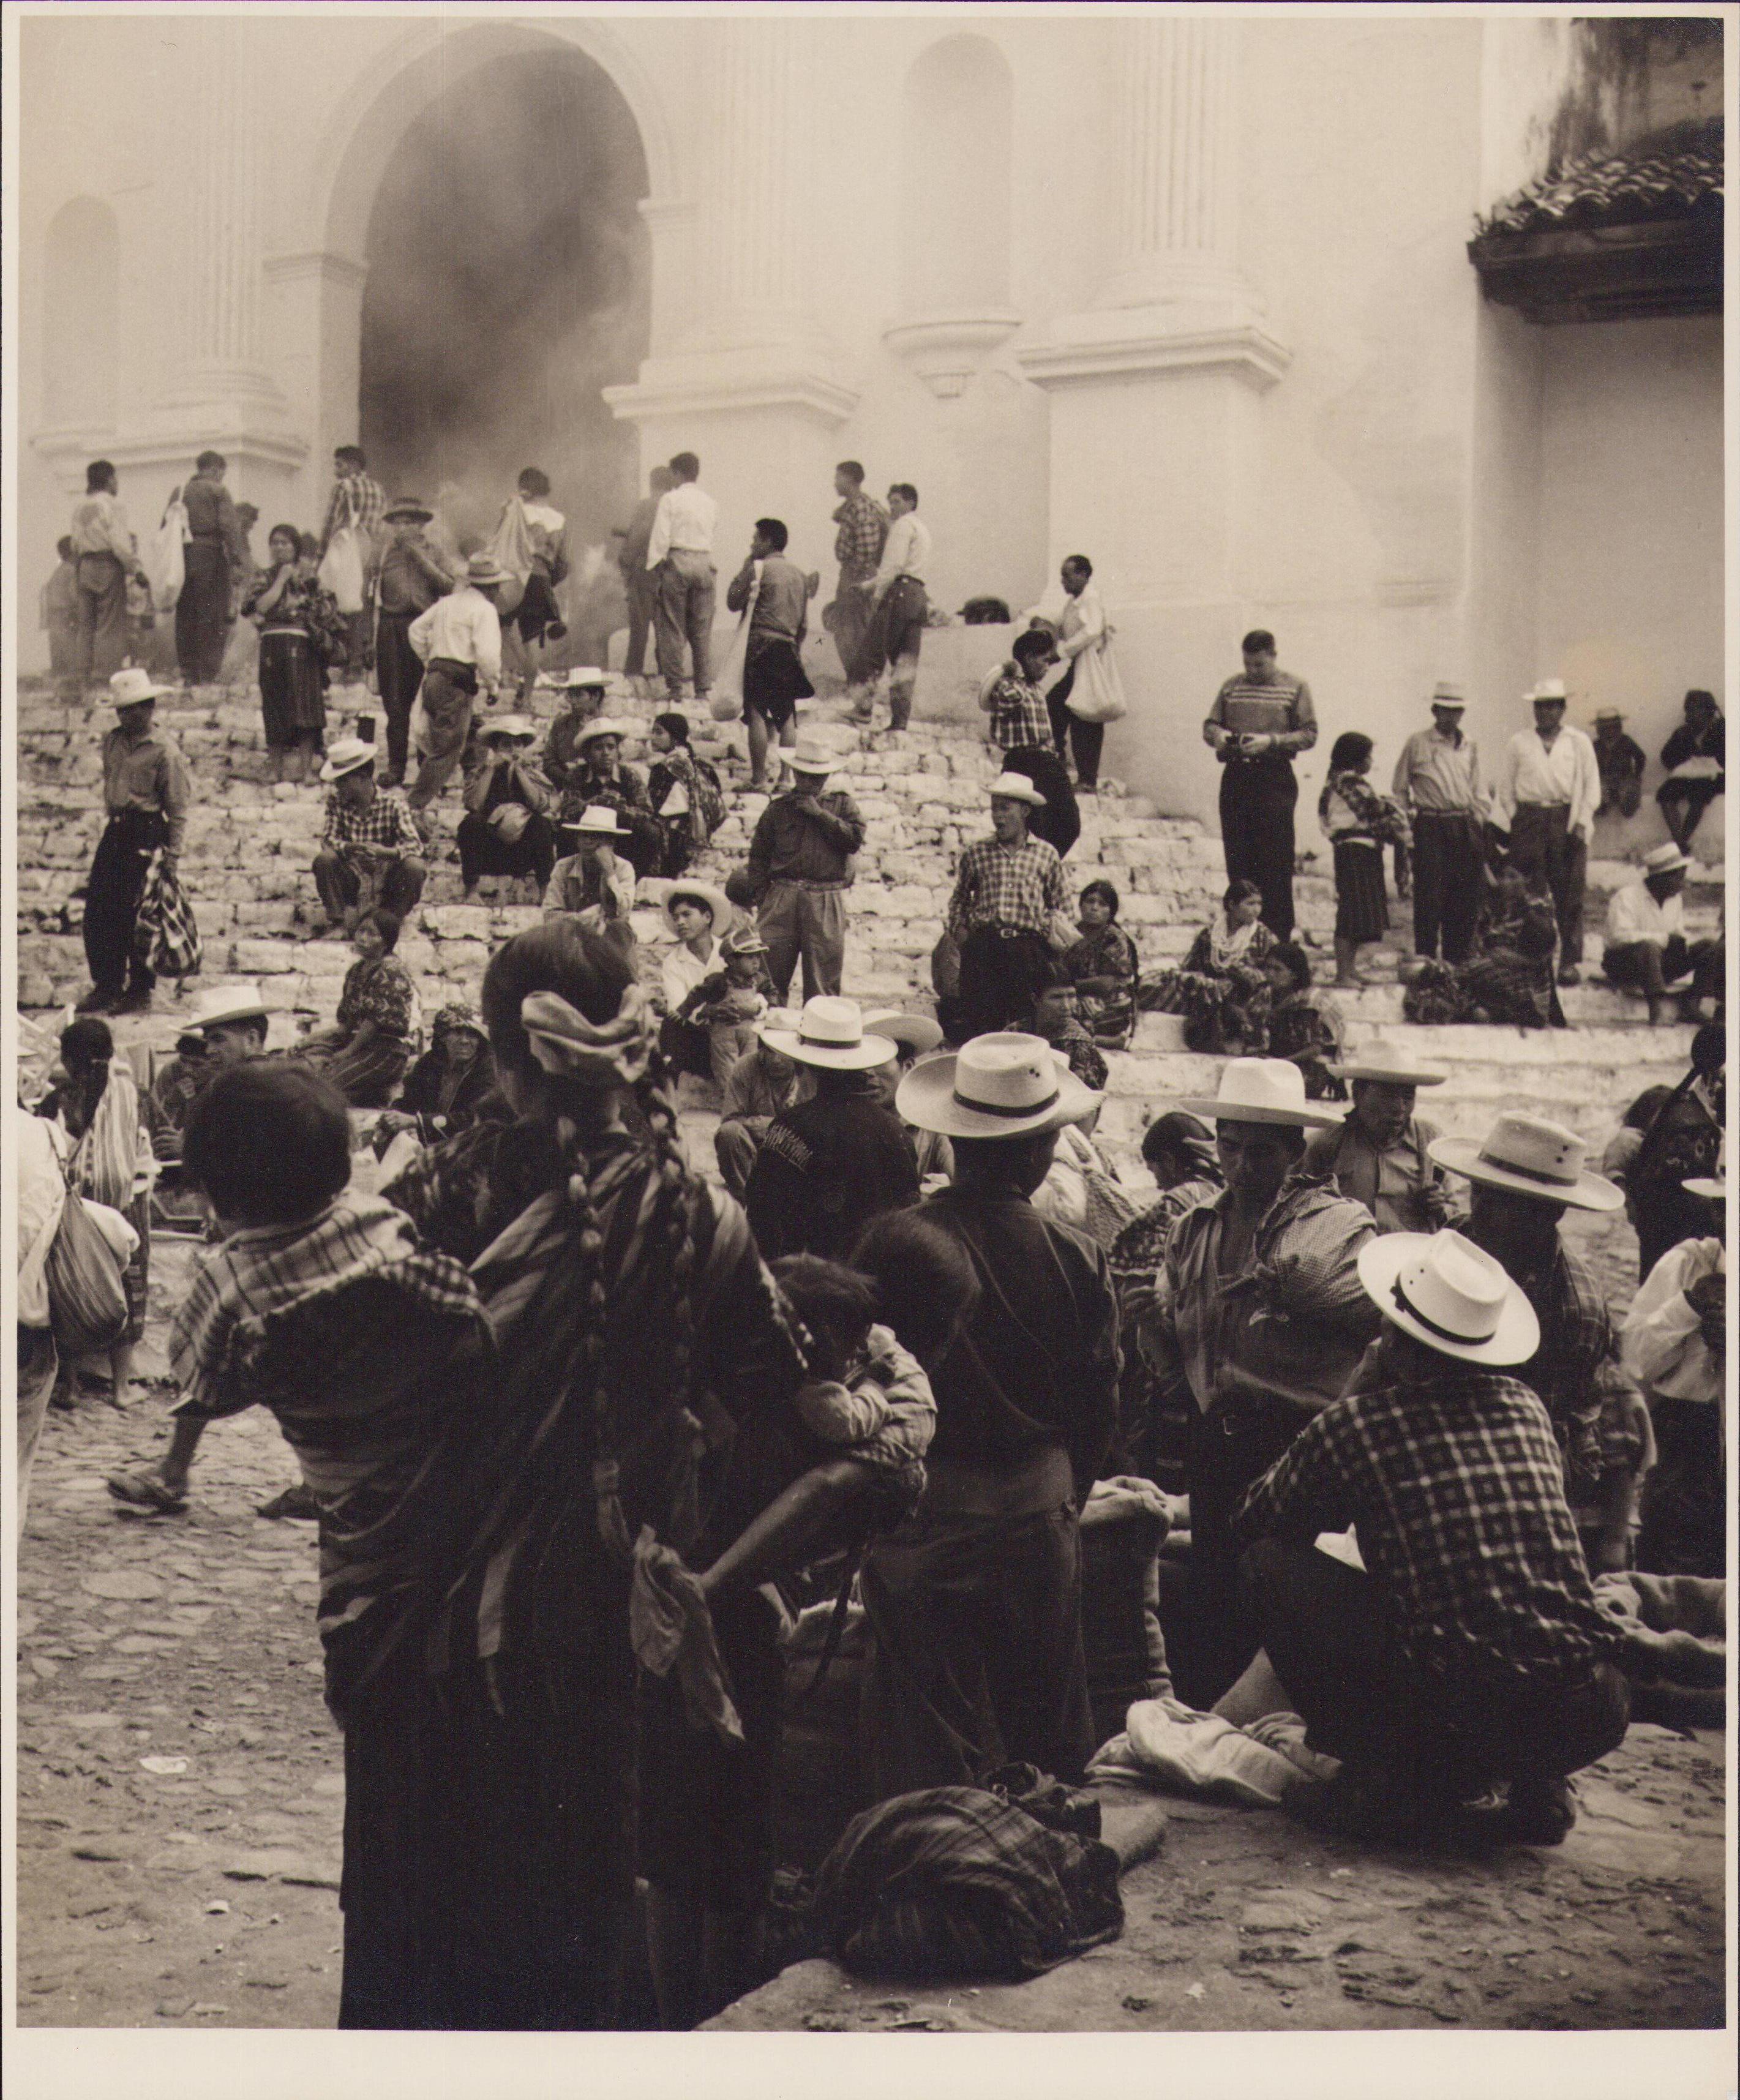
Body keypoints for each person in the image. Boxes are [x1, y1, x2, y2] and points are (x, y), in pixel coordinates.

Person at [428, 921, 807, 2030]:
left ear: (507, 1058)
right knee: (603, 1863)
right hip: (632, 1598)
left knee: (479, 1885)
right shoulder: (699, 1215)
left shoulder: (448, 1194)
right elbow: (780, 1392)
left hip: (465, 1608)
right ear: (635, 1056)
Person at [1232, 1228, 1628, 1849]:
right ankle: (1537, 1782)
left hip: (1463, 1710)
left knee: (1267, 1563)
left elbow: (1257, 1517)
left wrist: (1352, 1393)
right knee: (1497, 1612)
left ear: (1393, 1341)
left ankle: (1378, 1782)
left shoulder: (1362, 1422)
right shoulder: (1526, 1405)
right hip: (1593, 1705)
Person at [861, 1033, 1117, 1794]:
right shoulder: (1075, 1253)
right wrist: (1071, 1486)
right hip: (1035, 1505)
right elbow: (1099, 1400)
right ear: (1039, 1153)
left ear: (952, 1138)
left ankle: (934, 1873)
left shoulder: (896, 1239)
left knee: (922, 1728)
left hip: (924, 1506)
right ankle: (1051, 1875)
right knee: (1044, 1727)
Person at [1140, 1059, 1375, 1702]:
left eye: (1262, 1153)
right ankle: (1213, 1719)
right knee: (1218, 1588)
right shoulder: (1196, 1228)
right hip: (1219, 1437)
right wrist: (1158, 1329)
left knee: (1283, 1592)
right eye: (1231, 1147)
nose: (1243, 1166)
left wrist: (1291, 1286)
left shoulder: (1333, 1225)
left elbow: (1363, 1303)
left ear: (1295, 1152)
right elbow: (1184, 1331)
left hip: (1299, 1442)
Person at [1433, 1113, 1648, 1577]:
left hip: (1509, 1484)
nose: (1483, 1210)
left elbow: (1541, 1438)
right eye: (1480, 1192)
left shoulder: (1573, 1309)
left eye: (1506, 1202)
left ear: (1551, 1213)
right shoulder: (1456, 1239)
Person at [35, 1016, 155, 1410]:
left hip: (74, 1211)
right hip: (125, 1208)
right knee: (127, 1294)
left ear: (69, 1062)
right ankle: (121, 1387)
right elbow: (147, 1152)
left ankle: (67, 1386)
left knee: (67, 1290)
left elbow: (46, 1154)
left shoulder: (60, 1099)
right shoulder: (133, 1095)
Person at [744, 999, 916, 1263]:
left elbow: (763, 1219)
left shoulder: (790, 1128)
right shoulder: (897, 1132)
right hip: (875, 1287)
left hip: (808, 1286)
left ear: (804, 1068)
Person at [1624, 1148, 1725, 1579]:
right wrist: (1688, 1307)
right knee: (1673, 1577)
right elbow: (1633, 1359)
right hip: (1685, 1442)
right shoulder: (1688, 1264)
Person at [1108, 1111, 1222, 1485]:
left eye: (1155, 1169)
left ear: (1171, 1162)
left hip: (1169, 1339)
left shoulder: (1175, 1204)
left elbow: (1137, 1282)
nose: (1156, 1181)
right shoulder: (1224, 1193)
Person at [80, 668, 191, 1017]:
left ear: (152, 706)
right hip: (117, 831)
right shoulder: (112, 742)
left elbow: (177, 808)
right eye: (125, 709)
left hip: (147, 831)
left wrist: (172, 855)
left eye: (140, 707)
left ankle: (140, 990)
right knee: (99, 909)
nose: (133, 715)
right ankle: (107, 985)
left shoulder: (165, 751)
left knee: (141, 914)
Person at [1203, 629, 1317, 938]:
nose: (1252, 671)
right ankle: (1238, 933)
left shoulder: (1295, 687)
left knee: (1275, 858)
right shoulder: (1231, 686)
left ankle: (1277, 935)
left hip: (1274, 777)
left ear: (1274, 656)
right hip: (1237, 777)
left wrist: (1271, 741)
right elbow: (1210, 725)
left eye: (1259, 665)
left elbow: (1309, 734)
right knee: (1238, 855)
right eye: (1248, 664)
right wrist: (1220, 737)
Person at [945, 773, 1068, 1041]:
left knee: (1022, 1025)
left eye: (1005, 808)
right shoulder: (977, 853)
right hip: (983, 950)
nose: (998, 816)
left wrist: (1047, 934)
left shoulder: (1046, 854)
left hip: (1026, 951)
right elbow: (960, 899)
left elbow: (1061, 905)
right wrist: (961, 932)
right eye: (994, 808)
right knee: (979, 1025)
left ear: (1025, 812)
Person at [1492, 678, 1598, 986]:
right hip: (1529, 819)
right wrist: (1517, 820)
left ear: (1563, 709)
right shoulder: (1519, 743)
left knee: (1569, 893)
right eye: (1540, 706)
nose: (1546, 712)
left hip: (1566, 818)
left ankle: (1568, 961)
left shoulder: (1578, 742)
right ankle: (1533, 960)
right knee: (1531, 892)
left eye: (1552, 705)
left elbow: (1591, 785)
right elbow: (1506, 788)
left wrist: (1581, 819)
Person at [746, 734, 865, 1003]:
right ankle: (767, 1041)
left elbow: (854, 841)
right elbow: (758, 857)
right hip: (782, 897)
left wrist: (820, 815)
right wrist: (764, 898)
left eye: (817, 777)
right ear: (795, 773)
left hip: (825, 898)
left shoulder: (843, 805)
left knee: (823, 983)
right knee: (768, 979)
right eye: (804, 776)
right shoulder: (778, 810)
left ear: (827, 777)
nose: (810, 783)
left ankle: (818, 1040)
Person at [1297, 1039, 1454, 1234]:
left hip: (1411, 1259)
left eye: (1408, 1096)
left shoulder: (1430, 1141)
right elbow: (1295, 1208)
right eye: (1388, 1096)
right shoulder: (1327, 1142)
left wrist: (1440, 1210)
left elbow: (1455, 1216)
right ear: (1358, 1094)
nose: (1399, 1108)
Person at [1402, 857, 1563, 1029]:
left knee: (1450, 980)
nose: (1504, 882)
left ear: (1527, 879)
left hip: (1523, 982)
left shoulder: (1536, 910)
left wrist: (1508, 958)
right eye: (1502, 877)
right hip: (1494, 974)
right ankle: (1478, 1007)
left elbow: (1541, 954)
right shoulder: (1494, 906)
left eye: (1512, 877)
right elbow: (1479, 945)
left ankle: (1471, 1004)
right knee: (1448, 979)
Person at [405, 552, 508, 820]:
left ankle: (477, 801)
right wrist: (493, 686)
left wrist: (430, 659)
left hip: (436, 678)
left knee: (475, 737)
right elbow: (487, 655)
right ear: (492, 586)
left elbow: (415, 630)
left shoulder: (447, 603)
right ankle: (413, 806)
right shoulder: (485, 610)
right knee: (448, 748)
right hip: (457, 681)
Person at [1391, 681, 1486, 963]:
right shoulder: (1418, 742)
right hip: (1431, 825)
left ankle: (1457, 963)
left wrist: (1478, 818)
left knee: (1465, 896)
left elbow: (1478, 788)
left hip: (1464, 824)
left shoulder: (1470, 744)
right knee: (1430, 896)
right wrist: (1406, 826)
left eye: (1457, 711)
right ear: (1435, 710)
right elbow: (1399, 788)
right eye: (1445, 710)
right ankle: (1427, 962)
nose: (1451, 717)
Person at [244, 525, 346, 782]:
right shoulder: (264, 576)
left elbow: (326, 611)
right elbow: (262, 606)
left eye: (285, 543)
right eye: (275, 543)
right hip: (273, 645)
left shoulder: (310, 579)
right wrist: (281, 579)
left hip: (303, 646)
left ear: (296, 548)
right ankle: (275, 769)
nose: (279, 548)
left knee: (306, 705)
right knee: (275, 704)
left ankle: (306, 770)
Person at [1625, 1023, 1725, 1281]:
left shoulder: (1693, 1113)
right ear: (1713, 1078)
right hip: (1680, 1255)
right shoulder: (1690, 1128)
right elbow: (1684, 1208)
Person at [727, 517, 819, 790]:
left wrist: (746, 566)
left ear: (767, 542)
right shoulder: (799, 575)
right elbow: (804, 625)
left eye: (756, 539)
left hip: (760, 645)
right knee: (786, 716)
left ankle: (758, 780)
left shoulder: (758, 568)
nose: (752, 543)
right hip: (788, 647)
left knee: (756, 712)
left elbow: (733, 601)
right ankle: (784, 779)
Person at [1318, 730, 1411, 986]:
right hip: (1354, 850)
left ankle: (1350, 970)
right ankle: (1342, 973)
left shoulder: (1346, 781)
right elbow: (1374, 810)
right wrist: (1396, 811)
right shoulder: (1347, 782)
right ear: (1356, 758)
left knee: (1360, 911)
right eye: (1368, 756)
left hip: (1365, 850)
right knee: (1351, 910)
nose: (1371, 761)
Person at [979, 627, 1081, 858]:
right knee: (1036, 824)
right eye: (1044, 661)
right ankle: (1030, 865)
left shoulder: (1037, 690)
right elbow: (1007, 698)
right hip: (1023, 762)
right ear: (1028, 658)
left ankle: (1044, 863)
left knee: (1070, 824)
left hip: (1048, 762)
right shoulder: (1008, 685)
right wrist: (1013, 672)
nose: (1047, 668)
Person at [372, 498, 452, 786]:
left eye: (409, 522)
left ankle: (426, 769)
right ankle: (396, 768)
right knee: (395, 703)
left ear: (421, 525)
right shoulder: (383, 554)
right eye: (398, 522)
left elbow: (449, 586)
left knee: (427, 701)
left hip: (425, 628)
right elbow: (370, 594)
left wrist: (419, 558)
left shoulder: (435, 552)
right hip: (391, 629)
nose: (402, 528)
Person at [312, 737, 429, 934]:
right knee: (325, 859)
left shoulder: (393, 803)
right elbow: (328, 840)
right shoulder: (336, 802)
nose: (338, 786)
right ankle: (339, 922)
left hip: (386, 877)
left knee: (415, 867)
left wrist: (387, 853)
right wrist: (348, 848)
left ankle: (392, 919)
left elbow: (415, 845)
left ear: (363, 777)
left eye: (343, 780)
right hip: (353, 877)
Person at [301, 909, 416, 1108]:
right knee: (301, 1064)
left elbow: (374, 1022)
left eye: (372, 934)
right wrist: (314, 1040)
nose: (363, 938)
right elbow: (347, 1023)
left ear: (387, 941)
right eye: (361, 931)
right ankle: (365, 1094)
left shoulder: (391, 972)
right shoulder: (356, 971)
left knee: (324, 1086)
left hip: (386, 1051)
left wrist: (347, 1053)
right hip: (358, 1043)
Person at [1151, 879, 1275, 1057]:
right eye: (1250, 904)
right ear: (1232, 905)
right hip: (1213, 991)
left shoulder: (1262, 935)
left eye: (1259, 904)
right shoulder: (1210, 934)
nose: (1256, 909)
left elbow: (1274, 970)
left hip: (1246, 994)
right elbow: (1192, 965)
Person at [846, 482, 931, 736]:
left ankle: (862, 709)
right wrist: (868, 585)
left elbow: (893, 568)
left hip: (898, 594)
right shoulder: (923, 529)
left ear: (910, 503)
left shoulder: (903, 526)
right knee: (906, 661)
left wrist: (877, 594)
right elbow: (906, 568)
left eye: (897, 502)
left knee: (872, 651)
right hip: (917, 596)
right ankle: (900, 722)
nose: (892, 507)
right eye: (890, 502)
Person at [661, 891, 770, 1088]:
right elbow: (679, 1009)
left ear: (707, 917)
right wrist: (710, 1012)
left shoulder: (734, 951)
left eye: (687, 915)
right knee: (670, 1025)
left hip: (743, 1029)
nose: (680, 922)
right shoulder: (673, 962)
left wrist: (753, 1009)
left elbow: (764, 987)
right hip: (702, 1037)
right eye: (676, 917)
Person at [1603, 841, 1715, 1024]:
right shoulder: (1627, 897)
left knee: (1710, 947)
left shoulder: (1674, 899)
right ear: (1661, 878)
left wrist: (1681, 942)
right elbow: (1618, 937)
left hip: (1659, 965)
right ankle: (1657, 1007)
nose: (1683, 883)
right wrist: (1663, 939)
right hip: (1626, 965)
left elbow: (1676, 933)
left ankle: (1693, 1001)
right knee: (1649, 947)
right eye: (1679, 878)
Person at [646, 450, 718, 707]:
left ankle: (675, 688)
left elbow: (661, 537)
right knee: (701, 630)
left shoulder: (670, 499)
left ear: (677, 473)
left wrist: (656, 568)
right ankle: (702, 689)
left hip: (678, 560)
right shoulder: (710, 502)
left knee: (672, 627)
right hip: (704, 563)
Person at [456, 716, 555, 901]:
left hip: (521, 850)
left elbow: (539, 804)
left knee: (542, 824)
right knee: (471, 822)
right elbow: (474, 804)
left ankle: (545, 893)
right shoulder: (481, 772)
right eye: (506, 744)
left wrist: (518, 771)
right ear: (495, 748)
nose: (512, 750)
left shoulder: (532, 772)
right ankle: (472, 891)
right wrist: (491, 770)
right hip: (491, 847)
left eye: (517, 744)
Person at [70, 459, 149, 686]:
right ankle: (106, 677)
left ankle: (82, 677)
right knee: (109, 624)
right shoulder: (113, 505)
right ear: (109, 480)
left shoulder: (80, 508)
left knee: (86, 625)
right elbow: (121, 545)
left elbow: (75, 544)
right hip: (107, 564)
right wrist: (137, 569)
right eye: (115, 479)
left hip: (84, 566)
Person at [713, 1017, 810, 1202]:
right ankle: (744, 1198)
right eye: (769, 1051)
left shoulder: (808, 1074)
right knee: (729, 1133)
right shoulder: (745, 1067)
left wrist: (768, 1126)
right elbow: (730, 1120)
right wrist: (772, 1126)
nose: (776, 1060)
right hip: (753, 1152)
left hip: (792, 1157)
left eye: (782, 1053)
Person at [555, 716, 660, 878]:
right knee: (564, 830)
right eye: (599, 748)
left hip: (620, 838)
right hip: (587, 838)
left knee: (650, 832)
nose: (606, 753)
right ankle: (570, 884)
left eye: (611, 747)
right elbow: (568, 810)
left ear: (618, 750)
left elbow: (646, 811)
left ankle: (634, 883)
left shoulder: (629, 775)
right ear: (588, 753)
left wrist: (618, 809)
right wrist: (595, 805)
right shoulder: (576, 776)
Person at [500, 467, 569, 707]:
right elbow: (564, 563)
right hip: (540, 580)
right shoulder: (559, 519)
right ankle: (528, 697)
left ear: (525, 489)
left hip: (513, 577)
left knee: (501, 627)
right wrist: (550, 583)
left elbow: (501, 544)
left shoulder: (516, 511)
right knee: (534, 640)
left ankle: (520, 668)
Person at [174, 450, 245, 684]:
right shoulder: (218, 491)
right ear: (216, 469)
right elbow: (230, 528)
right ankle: (207, 671)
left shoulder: (181, 491)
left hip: (183, 555)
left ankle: (187, 670)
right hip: (211, 555)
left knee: (186, 612)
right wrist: (236, 560)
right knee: (212, 612)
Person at [318, 444, 387, 677]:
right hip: (369, 554)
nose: (336, 470)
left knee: (342, 606)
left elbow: (331, 523)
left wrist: (321, 555)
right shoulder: (378, 489)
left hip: (348, 554)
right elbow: (381, 527)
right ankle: (362, 660)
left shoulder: (343, 487)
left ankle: (346, 662)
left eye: (340, 464)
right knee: (364, 608)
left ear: (354, 465)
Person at [1046, 555, 1109, 792]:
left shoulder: (1090, 599)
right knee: (1059, 705)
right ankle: (1059, 756)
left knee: (1085, 719)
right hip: (1079, 666)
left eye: (1067, 575)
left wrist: (1061, 652)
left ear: (1083, 575)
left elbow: (1091, 630)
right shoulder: (1074, 602)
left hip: (1090, 666)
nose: (1063, 581)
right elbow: (1063, 626)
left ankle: (1086, 779)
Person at [392, 1003, 501, 1141]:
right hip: (437, 1143)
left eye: (473, 1035)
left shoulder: (488, 1070)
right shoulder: (430, 1063)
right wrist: (392, 1116)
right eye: (457, 1033)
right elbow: (409, 1101)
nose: (464, 1041)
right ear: (443, 1036)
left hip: (474, 1145)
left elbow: (474, 1118)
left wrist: (419, 1121)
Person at [826, 460, 888, 683]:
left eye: (837, 477)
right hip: (854, 574)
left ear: (849, 479)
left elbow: (868, 550)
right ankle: (860, 686)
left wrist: (858, 581)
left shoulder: (861, 508)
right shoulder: (854, 507)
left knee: (854, 634)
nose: (834, 483)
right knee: (847, 631)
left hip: (857, 576)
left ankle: (862, 688)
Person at [543, 806, 639, 948]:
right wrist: (590, 919)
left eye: (595, 836)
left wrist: (609, 873)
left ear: (610, 843)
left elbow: (621, 914)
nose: (588, 842)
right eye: (583, 835)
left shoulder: (623, 868)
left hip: (607, 942)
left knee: (622, 930)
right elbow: (550, 915)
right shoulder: (564, 867)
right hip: (571, 938)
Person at [617, 464, 676, 696]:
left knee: (639, 627)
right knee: (665, 627)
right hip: (669, 572)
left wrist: (625, 564)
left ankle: (633, 676)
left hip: (645, 571)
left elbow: (637, 537)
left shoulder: (648, 505)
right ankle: (666, 677)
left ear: (652, 483)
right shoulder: (674, 506)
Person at [1261, 942, 1346, 1101]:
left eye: (1278, 969)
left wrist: (1280, 1063)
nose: (1269, 974)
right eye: (1267, 968)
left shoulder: (1310, 1003)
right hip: (1283, 1061)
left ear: (1294, 974)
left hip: (1311, 1070)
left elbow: (1316, 1049)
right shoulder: (1269, 996)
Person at [645, 711, 724, 879]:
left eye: (659, 732)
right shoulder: (701, 765)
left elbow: (653, 804)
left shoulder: (666, 767)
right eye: (653, 732)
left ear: (675, 737)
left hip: (673, 834)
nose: (653, 738)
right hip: (697, 831)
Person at [1655, 688, 1725, 853]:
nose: (1694, 714)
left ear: (1708, 711)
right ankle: (1680, 842)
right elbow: (1666, 756)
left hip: (1715, 778)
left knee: (1698, 796)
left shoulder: (1722, 729)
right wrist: (1686, 764)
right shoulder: (1683, 732)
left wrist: (1710, 763)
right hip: (1688, 776)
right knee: (1665, 794)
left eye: (1698, 710)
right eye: (1691, 710)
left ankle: (1681, 842)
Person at [1027, 957, 1109, 1090]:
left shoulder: (1078, 1044)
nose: (1066, 1006)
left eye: (1071, 996)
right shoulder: (1015, 1033)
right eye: (1056, 997)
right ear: (1036, 1000)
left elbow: (1085, 1099)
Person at [1592, 707, 1647, 821]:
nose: (1609, 731)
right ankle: (1603, 804)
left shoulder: (1626, 741)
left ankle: (1627, 803)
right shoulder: (1596, 745)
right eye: (1604, 728)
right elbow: (1589, 764)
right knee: (1597, 792)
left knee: (1631, 792)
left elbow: (1640, 757)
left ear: (1619, 728)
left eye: (1613, 727)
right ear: (1599, 730)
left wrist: (1637, 775)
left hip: (1625, 777)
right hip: (1604, 779)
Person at [42, 534, 80, 683]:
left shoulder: (59, 571)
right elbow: (74, 596)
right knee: (70, 652)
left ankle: (60, 681)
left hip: (54, 616)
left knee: (58, 652)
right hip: (65, 615)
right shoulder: (71, 571)